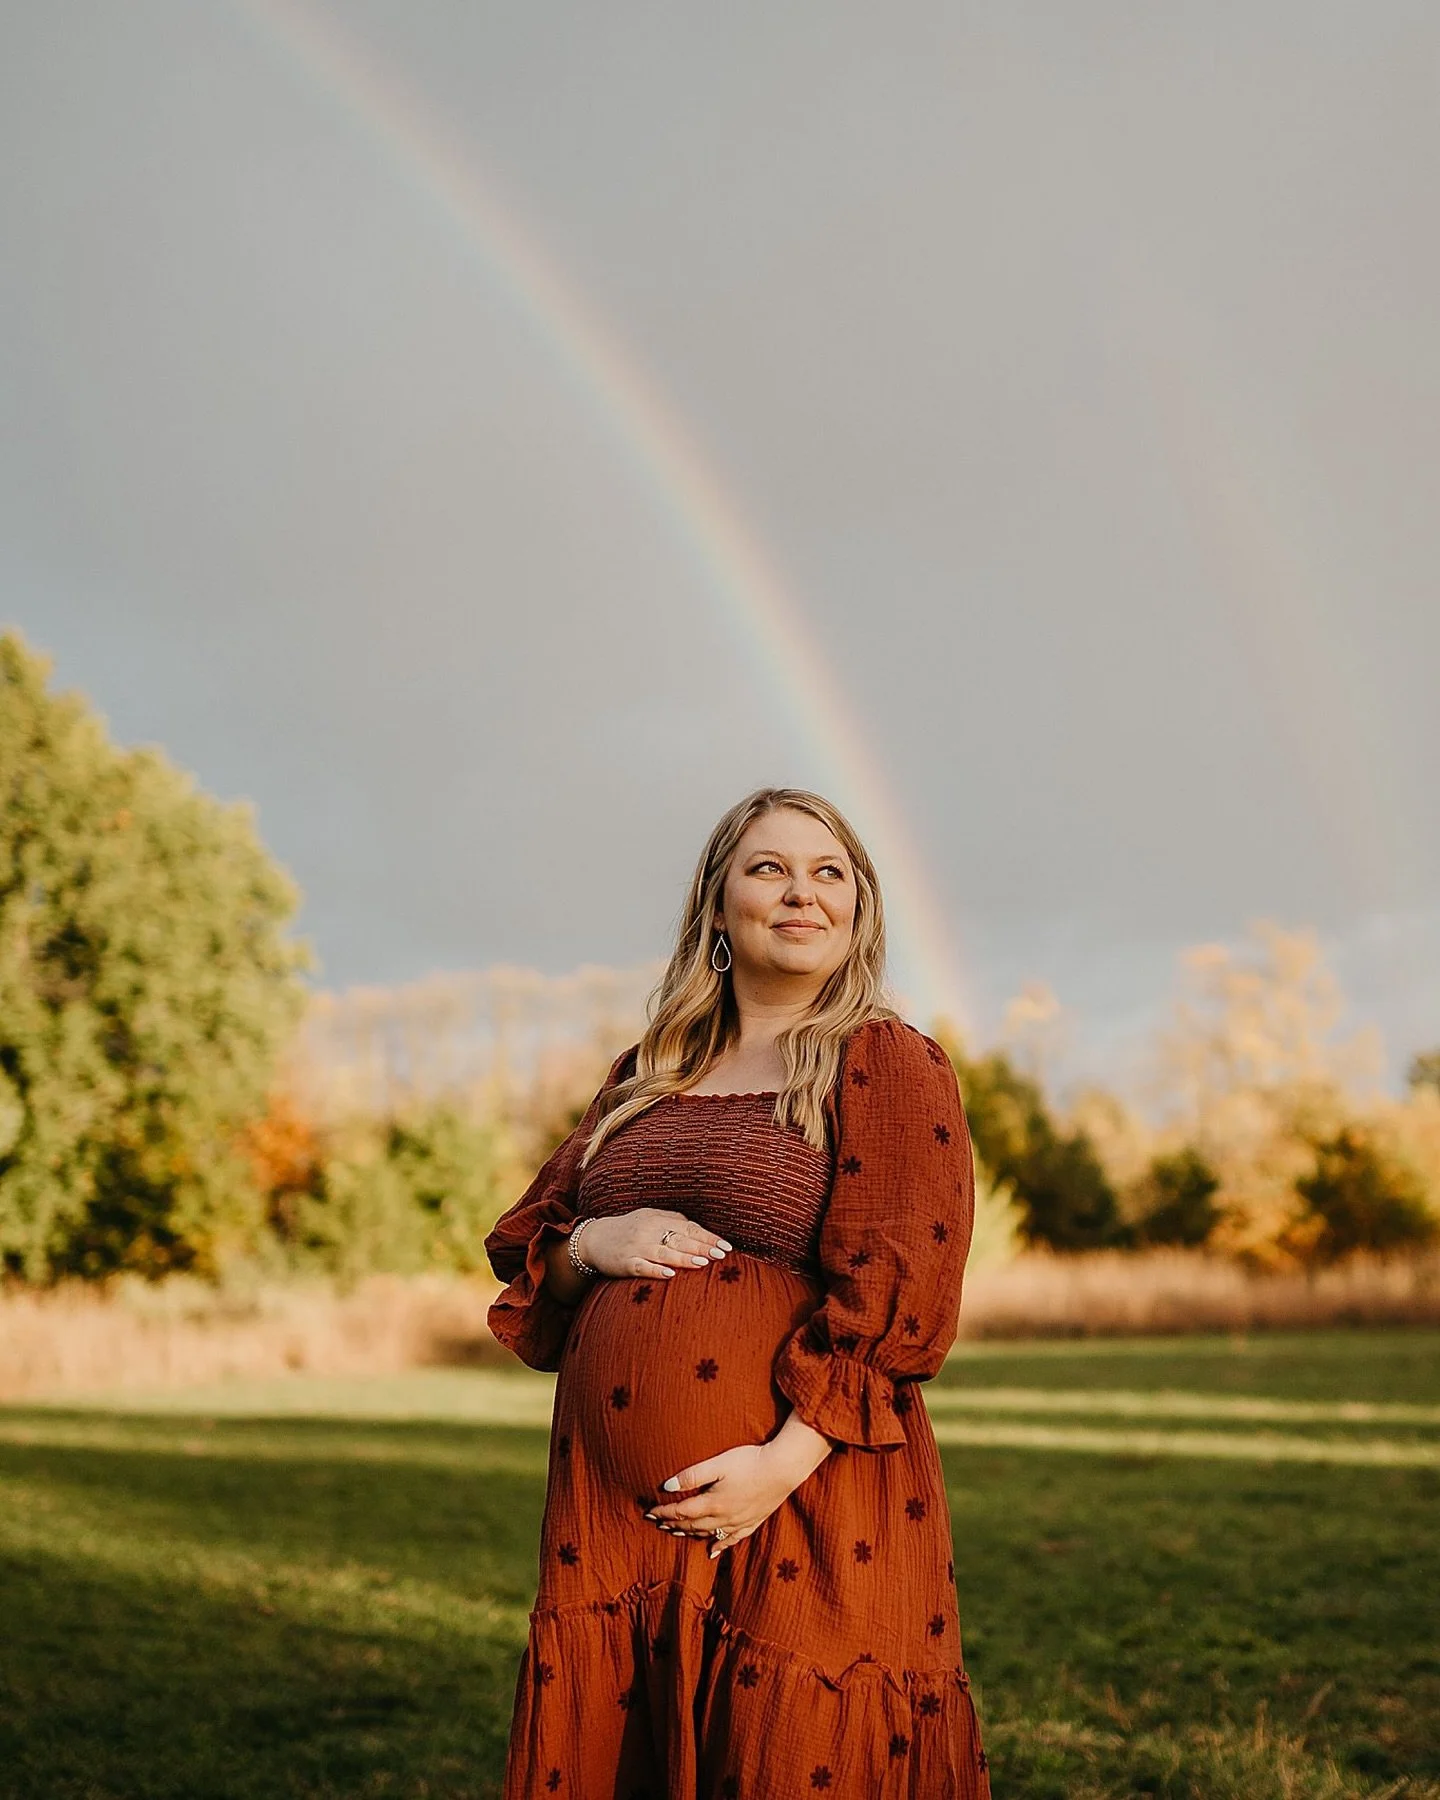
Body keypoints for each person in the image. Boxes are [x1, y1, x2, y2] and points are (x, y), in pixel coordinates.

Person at [484, 786, 990, 1798]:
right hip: (614, 1530)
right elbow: (533, 1256)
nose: (802, 893)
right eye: (770, 868)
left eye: (829, 873)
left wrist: (778, 1465)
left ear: (859, 910)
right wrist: (596, 1240)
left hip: (802, 1499)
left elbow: (906, 1292)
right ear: (718, 903)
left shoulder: (883, 1059)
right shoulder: (650, 1071)